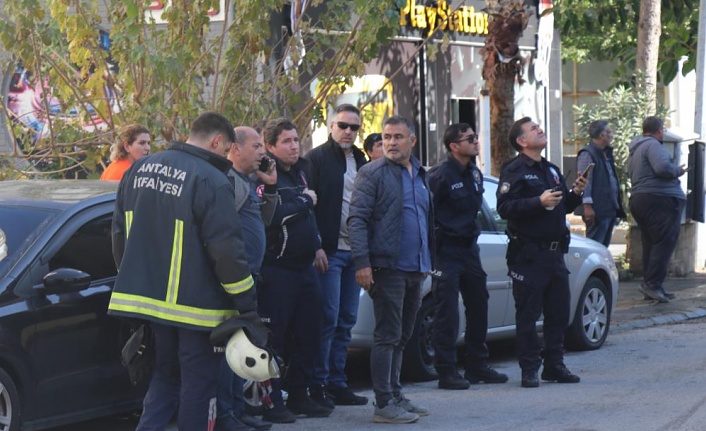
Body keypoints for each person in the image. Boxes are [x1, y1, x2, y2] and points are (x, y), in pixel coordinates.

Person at [109, 112, 258, 431]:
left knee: (164, 377)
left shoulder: (138, 169)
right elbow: (226, 249)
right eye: (226, 149)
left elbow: (119, 234)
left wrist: (133, 281)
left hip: (149, 303)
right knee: (198, 385)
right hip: (196, 307)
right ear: (217, 141)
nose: (225, 157)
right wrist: (247, 305)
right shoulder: (211, 178)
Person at [349, 115, 433, 424]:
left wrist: (427, 261)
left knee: (403, 335)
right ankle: (383, 403)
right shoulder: (371, 173)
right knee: (387, 335)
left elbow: (424, 220)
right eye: (387, 137)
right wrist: (362, 263)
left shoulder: (422, 174)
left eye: (398, 137)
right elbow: (357, 219)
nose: (391, 142)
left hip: (416, 267)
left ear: (412, 140)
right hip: (387, 266)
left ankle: (396, 394)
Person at [496, 117, 586, 389]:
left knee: (558, 312)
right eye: (534, 129)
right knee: (528, 314)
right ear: (522, 141)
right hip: (529, 254)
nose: (540, 130)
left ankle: (554, 365)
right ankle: (529, 368)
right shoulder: (515, 170)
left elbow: (562, 206)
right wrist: (538, 201)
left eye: (539, 127)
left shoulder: (551, 169)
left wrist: (575, 194)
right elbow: (505, 207)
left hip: (555, 254)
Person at [258, 118, 331, 423]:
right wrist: (304, 200)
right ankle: (272, 401)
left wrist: (316, 244)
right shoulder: (265, 175)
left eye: (296, 139)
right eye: (286, 141)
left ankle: (299, 395)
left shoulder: (300, 171)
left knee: (309, 332)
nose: (293, 145)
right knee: (272, 340)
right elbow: (271, 217)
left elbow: (307, 219)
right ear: (271, 146)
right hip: (277, 270)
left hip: (305, 268)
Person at [428, 123, 508, 390]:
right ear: (454, 146)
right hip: (446, 250)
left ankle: (476, 364)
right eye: (470, 138)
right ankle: (446, 370)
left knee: (479, 303)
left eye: (476, 136)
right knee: (447, 311)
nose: (476, 142)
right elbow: (426, 214)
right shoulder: (440, 177)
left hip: (469, 249)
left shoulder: (474, 173)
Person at [305, 104, 369, 408]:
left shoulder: (360, 159)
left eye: (354, 128)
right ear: (331, 126)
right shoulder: (316, 159)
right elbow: (307, 207)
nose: (348, 132)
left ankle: (338, 382)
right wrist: (316, 244)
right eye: (343, 125)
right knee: (327, 319)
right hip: (328, 253)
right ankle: (318, 384)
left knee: (346, 320)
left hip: (354, 253)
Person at [216, 126, 278, 431]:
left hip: (250, 276)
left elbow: (261, 222)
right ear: (235, 149)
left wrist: (270, 187)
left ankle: (238, 412)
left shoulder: (247, 181)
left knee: (241, 346)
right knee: (230, 348)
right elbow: (222, 234)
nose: (263, 153)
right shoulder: (228, 181)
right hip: (233, 280)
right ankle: (226, 416)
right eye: (256, 146)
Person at [627, 116, 686, 303]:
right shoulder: (653, 145)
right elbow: (662, 168)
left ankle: (652, 285)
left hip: (640, 198)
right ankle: (653, 285)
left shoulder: (635, 149)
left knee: (651, 244)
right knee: (664, 242)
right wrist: (678, 170)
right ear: (659, 130)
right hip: (659, 199)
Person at [574, 120, 626, 246]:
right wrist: (587, 206)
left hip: (608, 208)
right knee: (595, 247)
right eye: (609, 132)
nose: (611, 135)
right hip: (597, 210)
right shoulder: (588, 153)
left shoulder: (605, 153)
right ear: (602, 135)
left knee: (603, 248)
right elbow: (586, 181)